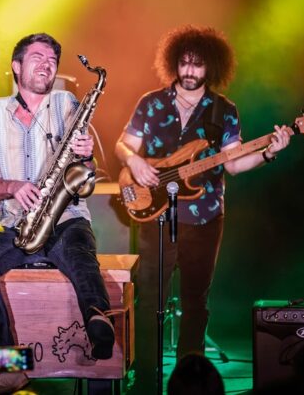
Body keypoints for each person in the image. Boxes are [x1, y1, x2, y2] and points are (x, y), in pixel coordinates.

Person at [114, 25, 292, 393]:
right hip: (155, 216)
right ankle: (144, 379)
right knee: (149, 301)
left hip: (205, 216)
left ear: (211, 67)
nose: (190, 71)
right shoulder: (151, 102)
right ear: (173, 63)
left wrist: (268, 152)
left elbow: (233, 163)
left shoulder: (224, 110)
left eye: (198, 65)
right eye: (184, 63)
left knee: (196, 302)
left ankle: (190, 383)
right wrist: (134, 162)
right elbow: (122, 145)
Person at [0, 33, 116, 393]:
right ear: (16, 67)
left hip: (67, 215)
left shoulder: (67, 102)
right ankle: (9, 368)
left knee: (82, 257)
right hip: (17, 221)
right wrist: (14, 187)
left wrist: (87, 156)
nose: (47, 64)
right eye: (37, 57)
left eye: (52, 60)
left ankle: (100, 325)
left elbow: (86, 177)